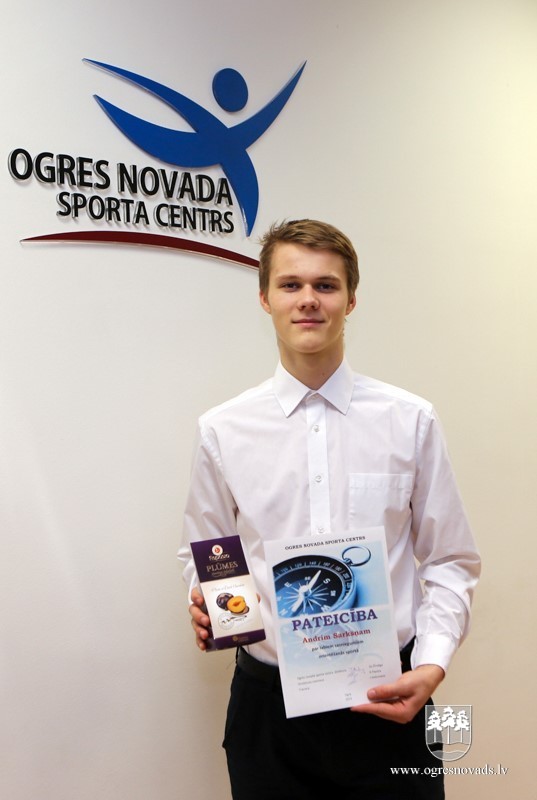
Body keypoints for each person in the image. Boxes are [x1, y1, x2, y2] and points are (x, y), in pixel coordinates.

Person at [178, 219, 480, 799]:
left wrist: (432, 663)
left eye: (326, 285)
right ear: (265, 298)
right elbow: (209, 552)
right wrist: (213, 606)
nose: (308, 300)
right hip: (269, 714)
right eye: (290, 285)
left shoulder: (410, 419)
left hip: (391, 698)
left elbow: (451, 559)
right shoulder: (222, 429)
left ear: (351, 299)